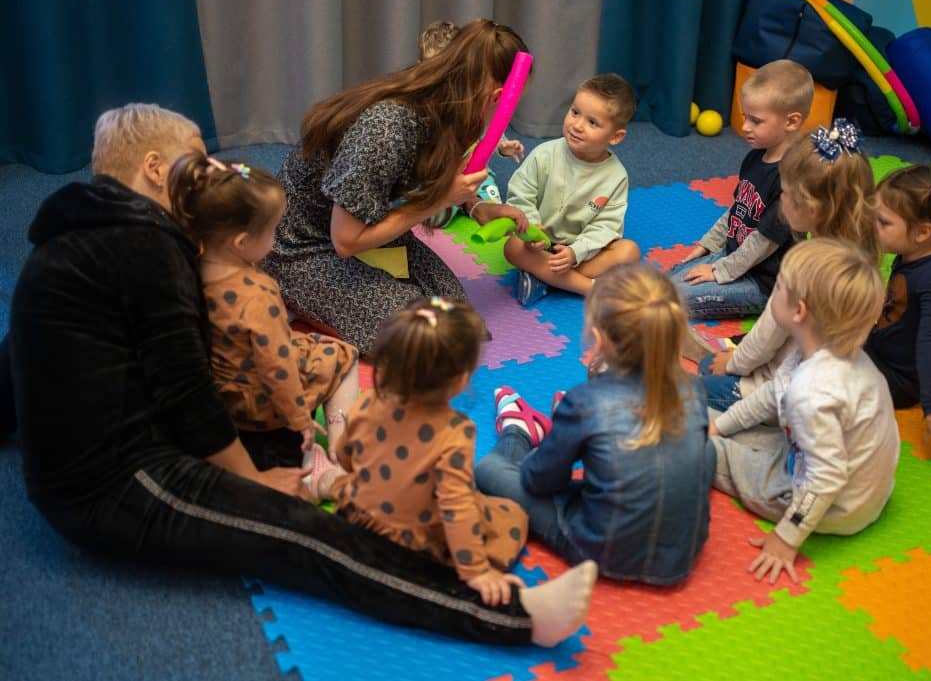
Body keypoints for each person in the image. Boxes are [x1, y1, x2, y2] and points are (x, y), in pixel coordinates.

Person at [6, 102, 597, 648]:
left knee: (297, 442)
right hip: (120, 482)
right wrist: (253, 485)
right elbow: (187, 392)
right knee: (299, 534)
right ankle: (513, 616)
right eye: (198, 157)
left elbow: (17, 359)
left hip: (146, 427)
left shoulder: (78, 232)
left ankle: (340, 481)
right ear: (156, 168)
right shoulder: (143, 248)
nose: (211, 170)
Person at [263, 19, 531, 355]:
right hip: (299, 242)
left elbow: (441, 180)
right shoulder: (389, 127)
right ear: (497, 97)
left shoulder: (451, 111)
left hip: (363, 222)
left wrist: (476, 206)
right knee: (427, 339)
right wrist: (441, 201)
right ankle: (293, 301)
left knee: (459, 314)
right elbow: (346, 242)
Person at [309, 298, 583, 608]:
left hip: (360, 518)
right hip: (414, 542)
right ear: (461, 379)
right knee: (511, 516)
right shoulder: (454, 433)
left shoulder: (367, 403)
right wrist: (477, 572)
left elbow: (347, 455)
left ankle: (323, 481)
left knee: (366, 485)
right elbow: (456, 508)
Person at [475, 263, 717, 585]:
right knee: (699, 447)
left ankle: (519, 431)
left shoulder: (587, 402)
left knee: (489, 469)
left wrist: (562, 447)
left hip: (601, 549)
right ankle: (562, 433)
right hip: (680, 559)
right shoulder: (694, 389)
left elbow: (540, 482)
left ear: (600, 340)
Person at [710, 238, 899, 585]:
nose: (773, 292)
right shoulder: (829, 352)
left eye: (779, 286)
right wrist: (721, 424)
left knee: (697, 446)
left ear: (799, 311)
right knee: (712, 426)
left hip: (834, 505)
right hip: (858, 483)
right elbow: (772, 394)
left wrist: (787, 537)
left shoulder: (812, 391)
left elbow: (825, 479)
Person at [167, 152, 360, 471]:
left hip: (223, 397)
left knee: (304, 339)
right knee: (342, 354)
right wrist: (300, 420)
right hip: (263, 406)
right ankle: (341, 448)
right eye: (271, 231)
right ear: (240, 242)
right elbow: (277, 366)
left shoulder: (189, 269)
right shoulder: (257, 293)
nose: (274, 239)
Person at [700, 119, 879, 411]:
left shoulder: (803, 263)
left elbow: (768, 334)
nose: (779, 200)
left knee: (704, 372)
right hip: (821, 389)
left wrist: (733, 363)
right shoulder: (858, 259)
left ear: (809, 208)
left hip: (779, 392)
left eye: (783, 194)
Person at [669, 59, 813, 319]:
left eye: (756, 121)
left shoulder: (791, 180)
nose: (745, 127)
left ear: (791, 122)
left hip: (764, 282)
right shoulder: (755, 158)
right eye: (746, 117)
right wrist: (707, 246)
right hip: (733, 256)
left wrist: (718, 271)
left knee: (671, 302)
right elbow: (736, 211)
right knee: (664, 284)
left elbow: (762, 243)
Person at [504, 73, 642, 307]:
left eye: (593, 123)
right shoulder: (545, 154)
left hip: (582, 253)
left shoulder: (616, 176)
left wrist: (576, 252)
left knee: (630, 252)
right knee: (512, 247)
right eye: (575, 112)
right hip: (538, 244)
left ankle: (546, 280)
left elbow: (606, 226)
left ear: (616, 137)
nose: (577, 125)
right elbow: (520, 194)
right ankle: (589, 288)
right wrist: (532, 229)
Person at [864, 164, 931, 445]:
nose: (873, 226)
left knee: (818, 362)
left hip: (899, 380)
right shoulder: (912, 251)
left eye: (884, 223)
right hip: (878, 348)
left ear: (923, 232)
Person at [417, 19, 526, 228]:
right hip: (438, 177)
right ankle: (456, 206)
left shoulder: (472, 101)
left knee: (496, 209)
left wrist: (502, 147)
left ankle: (473, 206)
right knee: (435, 220)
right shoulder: (426, 107)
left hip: (476, 174)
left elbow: (488, 132)